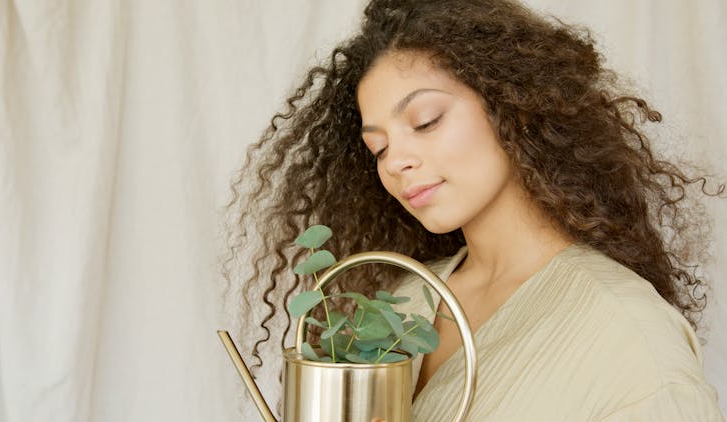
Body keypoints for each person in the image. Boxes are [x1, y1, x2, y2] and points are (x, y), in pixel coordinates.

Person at [223, 0, 725, 420]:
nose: (397, 161)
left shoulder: (626, 332)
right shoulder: (406, 298)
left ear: (513, 106)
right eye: (377, 148)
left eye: (426, 120)